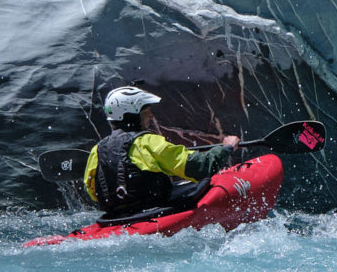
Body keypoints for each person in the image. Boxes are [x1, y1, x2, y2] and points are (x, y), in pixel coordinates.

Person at [85, 85, 242, 219]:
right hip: (154, 211)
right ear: (131, 115)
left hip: (118, 217)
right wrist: (225, 148)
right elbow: (199, 167)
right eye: (146, 111)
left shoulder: (97, 150)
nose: (151, 116)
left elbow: (92, 192)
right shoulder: (147, 142)